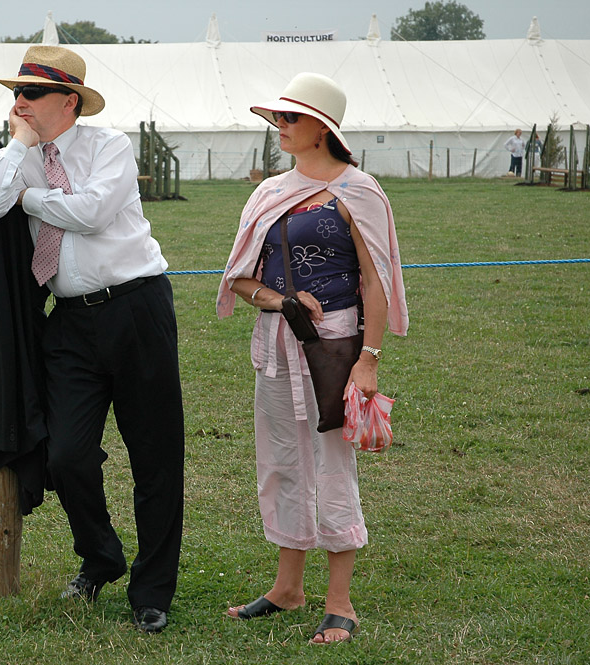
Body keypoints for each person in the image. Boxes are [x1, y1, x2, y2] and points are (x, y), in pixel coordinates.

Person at [0, 45, 185, 634]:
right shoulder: (19, 154)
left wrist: (29, 197)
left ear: (69, 101)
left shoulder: (109, 145)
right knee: (64, 452)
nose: (19, 104)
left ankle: (152, 590)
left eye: (31, 94)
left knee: (155, 456)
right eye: (14, 94)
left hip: (136, 307)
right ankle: (101, 558)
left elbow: (89, 212)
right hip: (68, 321)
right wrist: (17, 149)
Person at [215, 72, 409, 645]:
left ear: (322, 127)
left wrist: (369, 359)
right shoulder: (268, 192)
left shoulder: (360, 191)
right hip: (275, 344)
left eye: (291, 118)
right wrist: (281, 300)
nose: (281, 127)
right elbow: (242, 279)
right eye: (277, 117)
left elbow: (377, 282)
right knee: (280, 460)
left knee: (331, 465)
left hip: (337, 346)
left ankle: (340, 602)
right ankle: (286, 588)